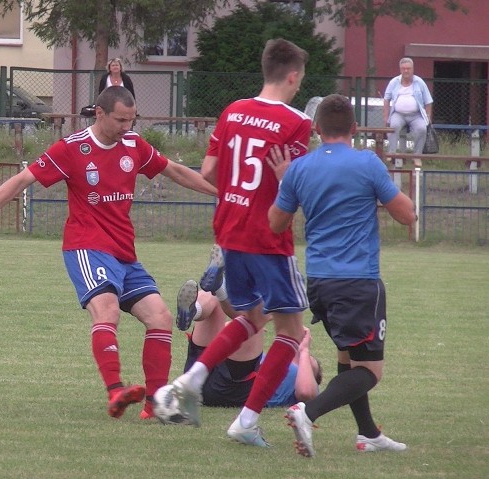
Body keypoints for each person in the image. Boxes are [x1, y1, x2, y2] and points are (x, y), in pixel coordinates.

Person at [0, 86, 217, 420]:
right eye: (120, 120)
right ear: (99, 113)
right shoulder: (72, 148)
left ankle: (156, 404)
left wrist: (222, 193)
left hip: (124, 250)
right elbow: (23, 179)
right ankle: (116, 392)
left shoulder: (133, 145)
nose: (126, 127)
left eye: (131, 120)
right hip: (87, 245)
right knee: (107, 310)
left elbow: (175, 170)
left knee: (160, 317)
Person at [162, 38, 312, 448]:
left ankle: (190, 379)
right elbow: (293, 187)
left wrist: (238, 192)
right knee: (290, 330)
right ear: (293, 75)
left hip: (229, 230)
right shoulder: (297, 122)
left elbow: (209, 171)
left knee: (253, 317)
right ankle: (246, 420)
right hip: (266, 235)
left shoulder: (232, 111)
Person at [269, 94, 416, 457]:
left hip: (318, 280)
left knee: (348, 357)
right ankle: (308, 412)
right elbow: (407, 216)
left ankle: (369, 434)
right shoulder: (367, 163)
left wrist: (285, 181)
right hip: (357, 281)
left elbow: (276, 223)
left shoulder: (300, 168)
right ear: (354, 128)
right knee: (370, 371)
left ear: (316, 129)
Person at [174, 280, 321, 410]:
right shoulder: (271, 356)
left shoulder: (304, 385)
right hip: (203, 370)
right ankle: (196, 310)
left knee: (254, 320)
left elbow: (306, 392)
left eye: (309, 364)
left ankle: (225, 288)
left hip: (229, 391)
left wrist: (305, 350)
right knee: (212, 293)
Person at [383, 57, 433, 167]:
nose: (406, 71)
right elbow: (386, 99)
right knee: (393, 126)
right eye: (403, 68)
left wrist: (428, 116)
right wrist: (386, 117)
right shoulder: (394, 82)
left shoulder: (420, 82)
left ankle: (417, 156)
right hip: (398, 114)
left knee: (422, 128)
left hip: (416, 115)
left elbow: (428, 101)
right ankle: (391, 153)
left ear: (413, 69)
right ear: (400, 69)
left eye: (408, 68)